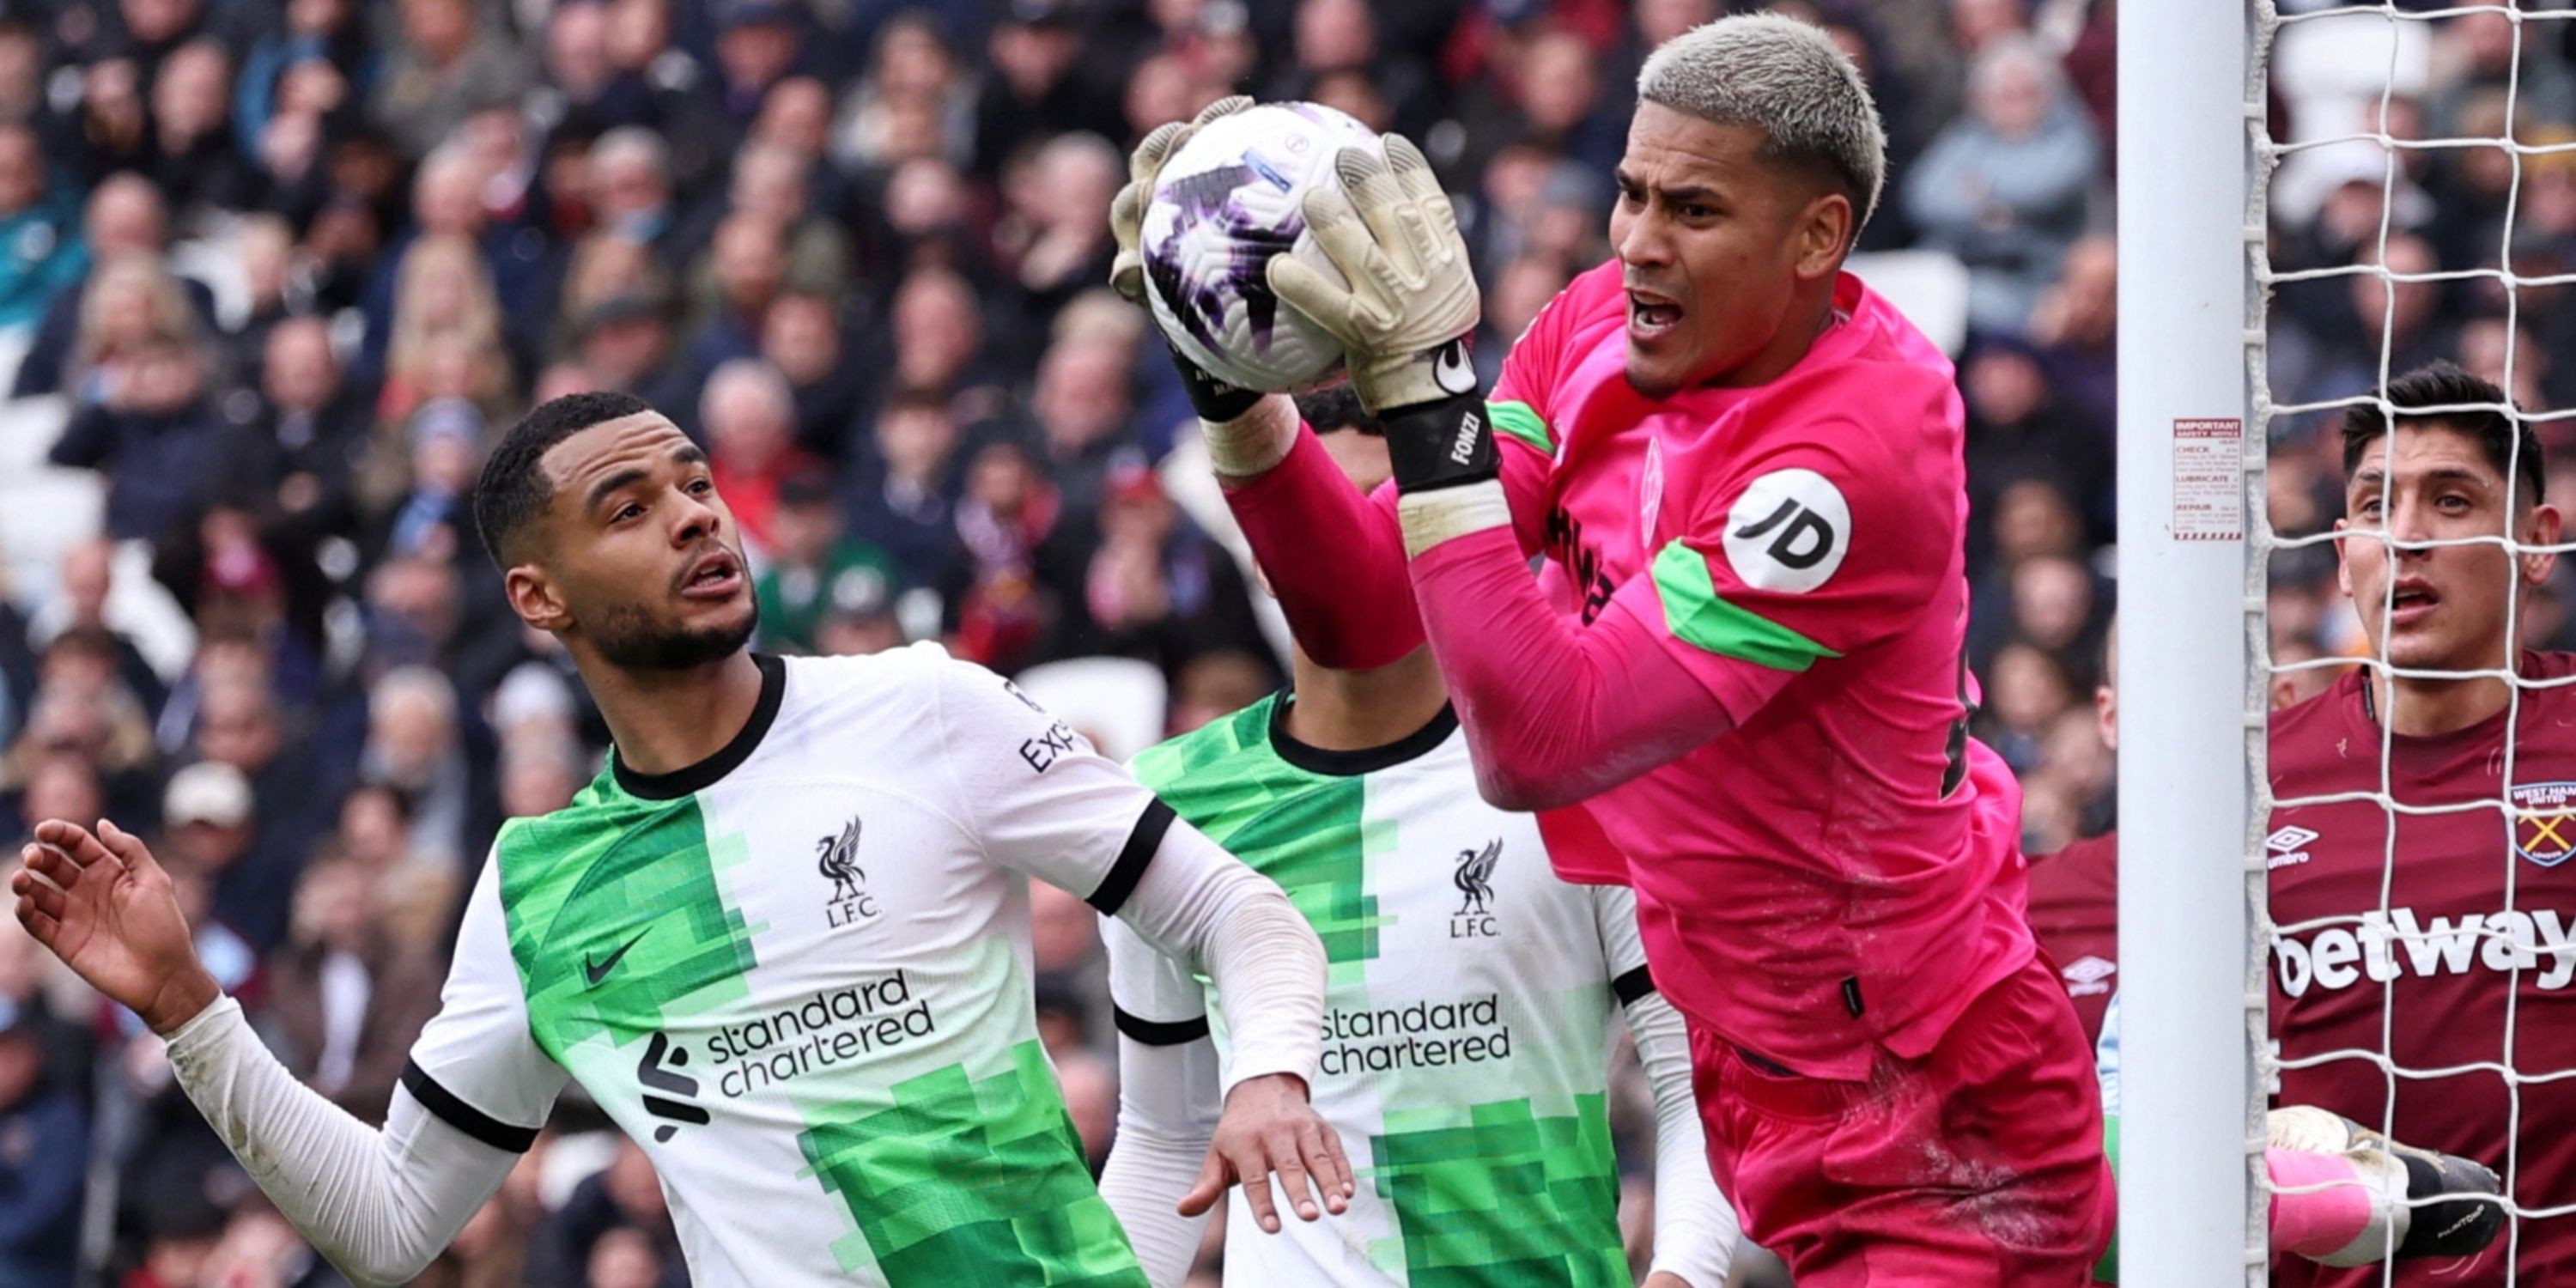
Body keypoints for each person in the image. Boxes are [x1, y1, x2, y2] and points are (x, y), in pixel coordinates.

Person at [1114, 15, 2109, 1280]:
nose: (1637, 241)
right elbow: (1376, 626)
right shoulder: (1597, 327)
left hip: (1928, 1100)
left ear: (1818, 238)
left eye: (1692, 210)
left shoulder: (1850, 457)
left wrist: (1427, 396)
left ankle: (2333, 1209)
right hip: (1748, 1053)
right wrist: (1234, 394)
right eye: (1632, 193)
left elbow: (1541, 745)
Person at [9, 389, 1355, 1287]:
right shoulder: (539, 889)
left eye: (695, 485)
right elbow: (389, 1226)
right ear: (536, 596)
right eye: (630, 507)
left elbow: (1237, 913)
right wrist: (190, 1009)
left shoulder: (924, 709)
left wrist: (1271, 1076)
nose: (695, 515)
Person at [1096, 410, 1739, 1287]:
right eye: (1325, 509)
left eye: (1395, 510)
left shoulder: (1578, 763)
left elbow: (1698, 1087)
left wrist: (1686, 1274)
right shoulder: (1173, 802)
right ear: (1261, 549)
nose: (1356, 540)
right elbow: (1166, 1139)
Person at [2263, 360, 2574, 1281]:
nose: (2403, 538)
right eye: (2373, 506)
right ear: (2341, 547)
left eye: (2449, 502)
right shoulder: (2249, 784)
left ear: (2536, 541)